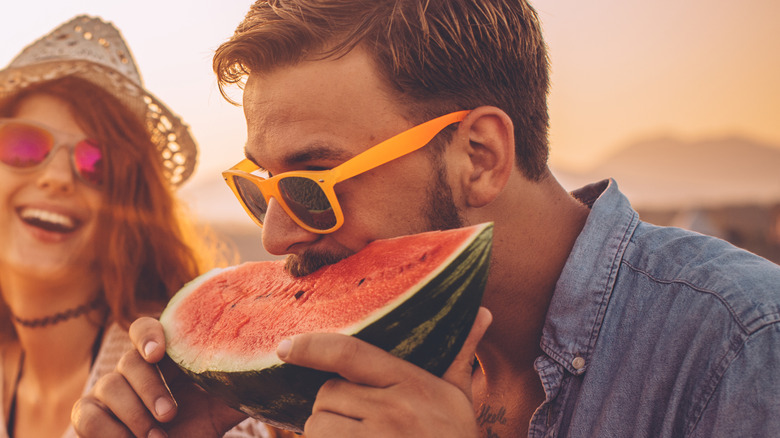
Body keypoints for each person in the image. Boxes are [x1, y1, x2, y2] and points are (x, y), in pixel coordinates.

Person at [72, 1, 780, 437]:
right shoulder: (310, 385)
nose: (275, 237)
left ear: (478, 156)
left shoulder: (740, 348)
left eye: (313, 183)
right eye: (260, 188)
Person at [0, 15, 272, 438]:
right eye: (23, 145)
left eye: (97, 163)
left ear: (129, 203)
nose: (56, 177)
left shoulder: (184, 388)